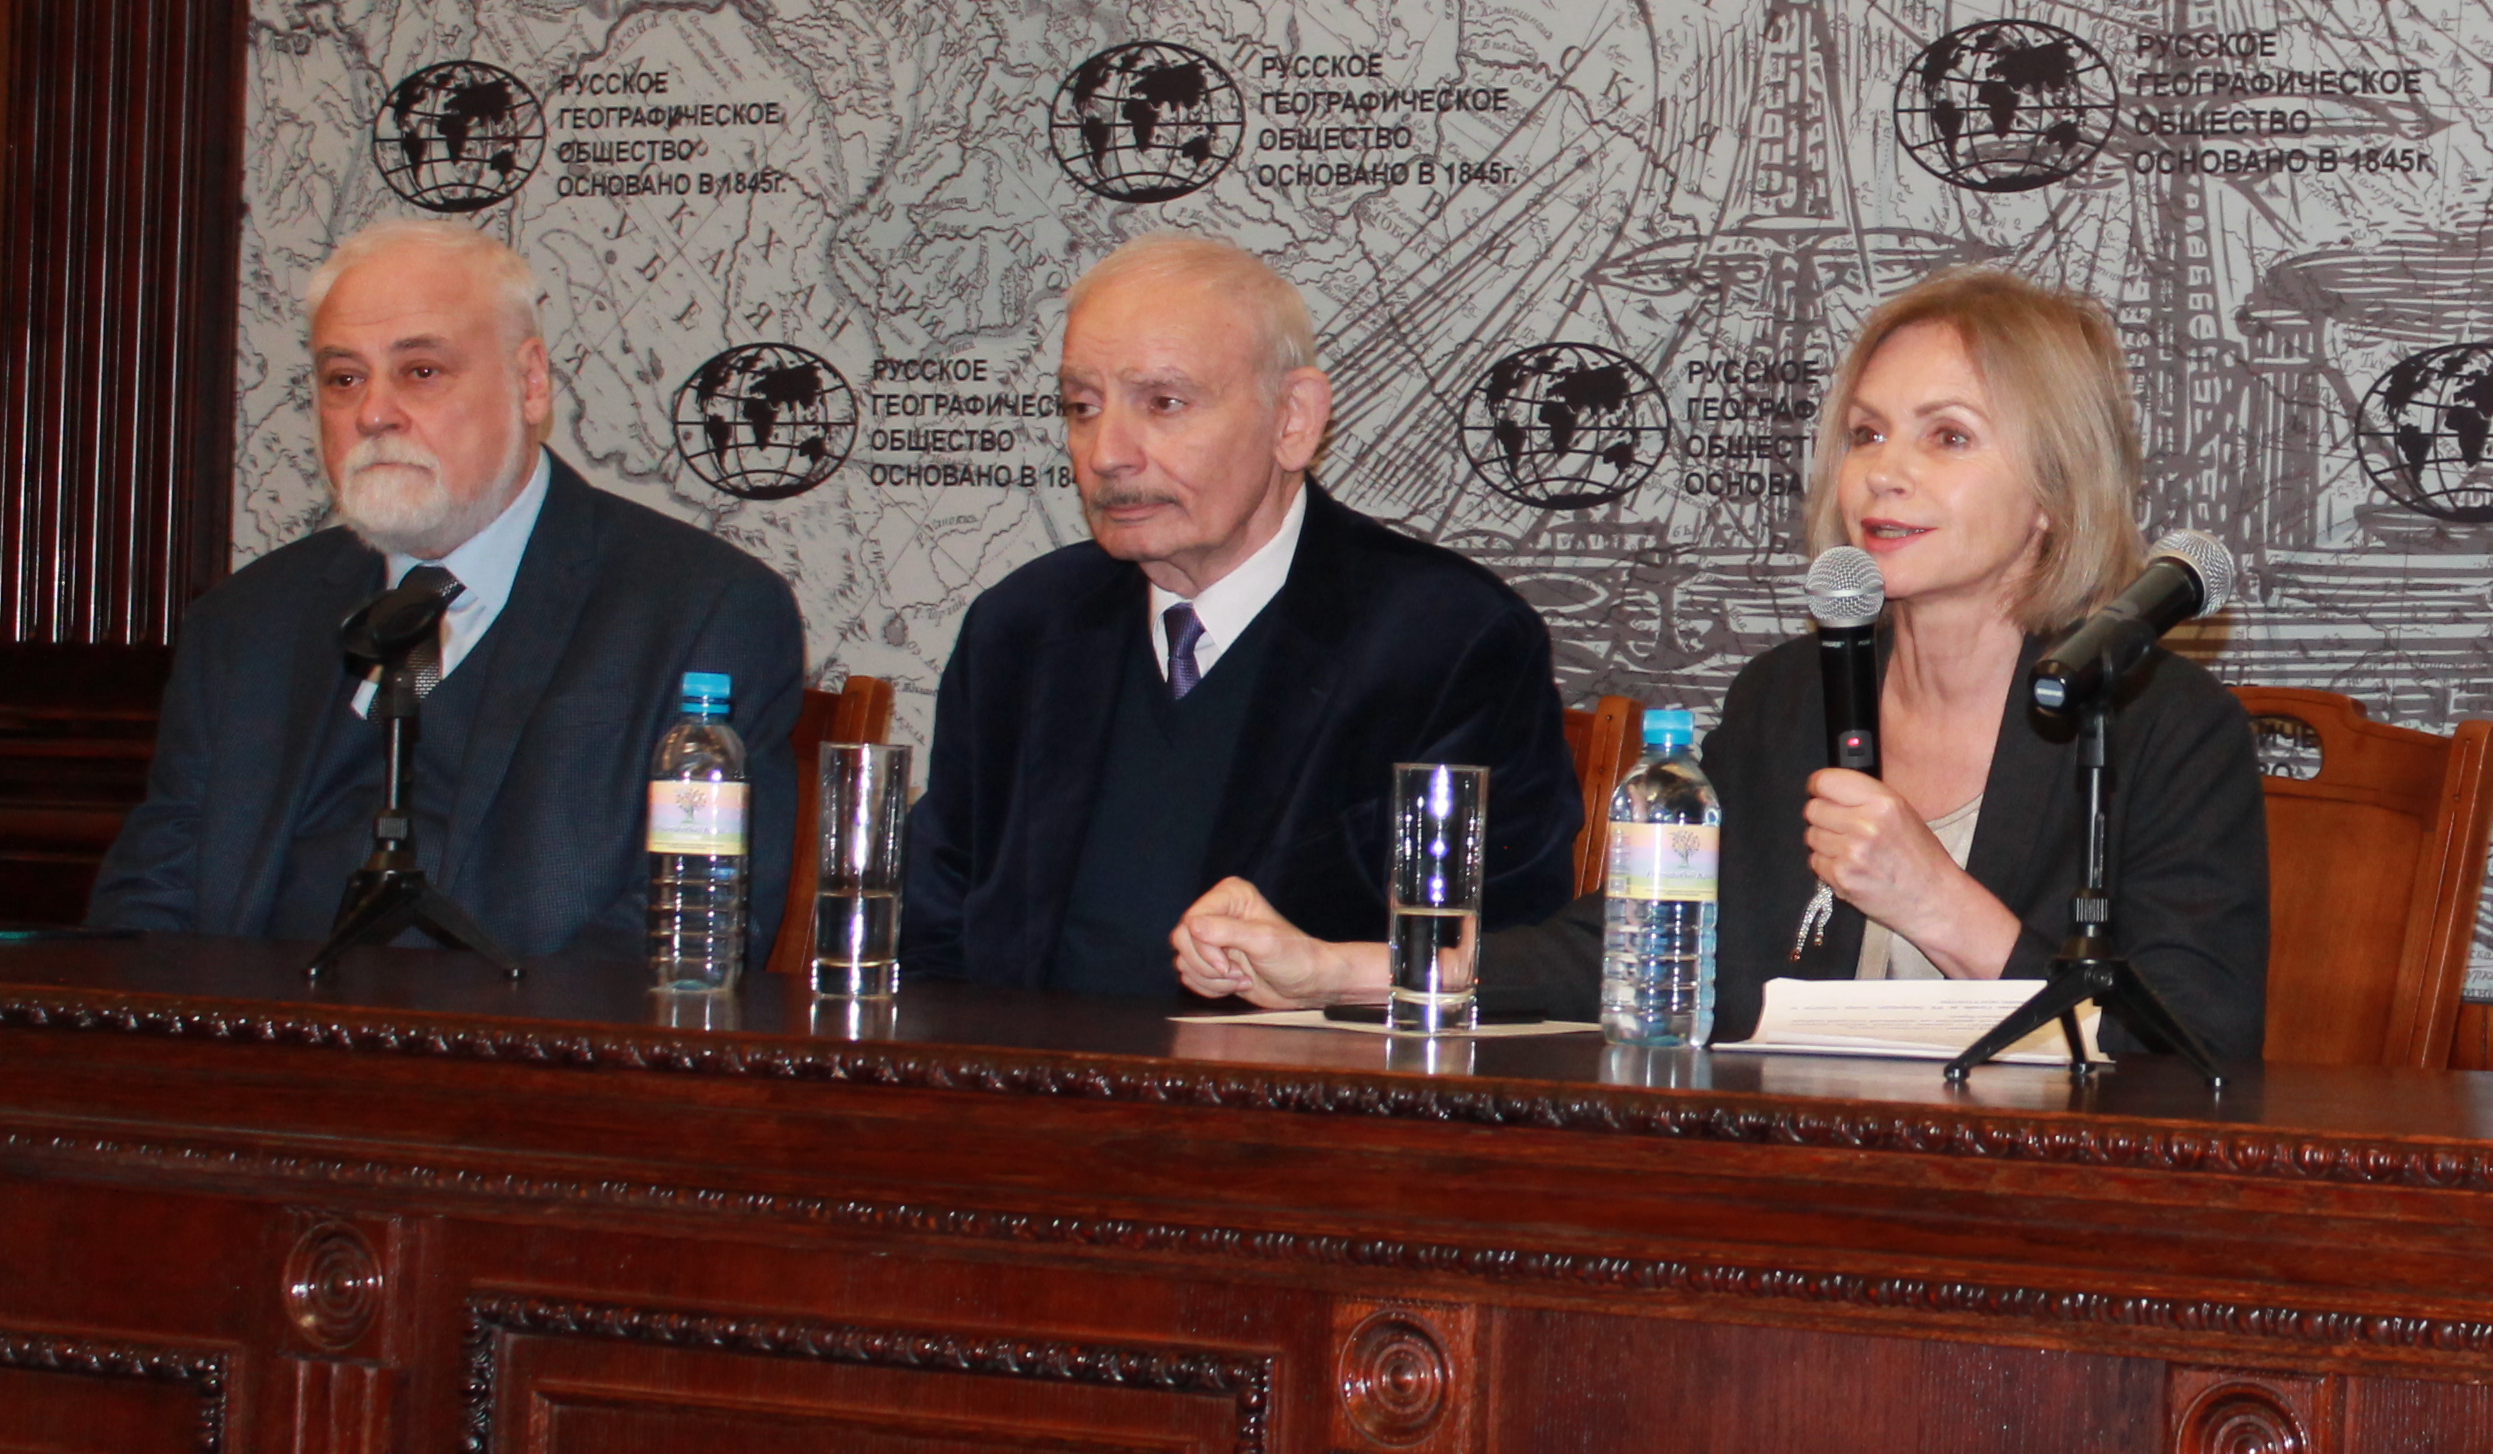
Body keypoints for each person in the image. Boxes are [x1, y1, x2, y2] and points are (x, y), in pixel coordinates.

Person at [1445, 267, 2269, 1061]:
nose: (1884, 473)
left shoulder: (2162, 724)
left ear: (2055, 490)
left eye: (1948, 436)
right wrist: (1396, 965)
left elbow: (2197, 1038)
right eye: (1866, 434)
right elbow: (1646, 945)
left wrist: (1938, 904)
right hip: (1798, 1141)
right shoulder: (1788, 695)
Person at [90, 217, 807, 956]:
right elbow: (150, 901)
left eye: (421, 371)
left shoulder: (699, 612)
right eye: (344, 379)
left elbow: (686, 935)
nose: (373, 413)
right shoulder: (245, 622)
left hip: (525, 1028)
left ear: (531, 385)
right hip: (257, 1025)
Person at [910, 234, 1579, 997]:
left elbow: (1500, 954)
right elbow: (932, 932)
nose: (1106, 454)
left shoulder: (1447, 640)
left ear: (1292, 420)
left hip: (1302, 1073)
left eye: (1164, 403)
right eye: (1082, 407)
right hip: (1015, 1066)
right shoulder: (1022, 627)